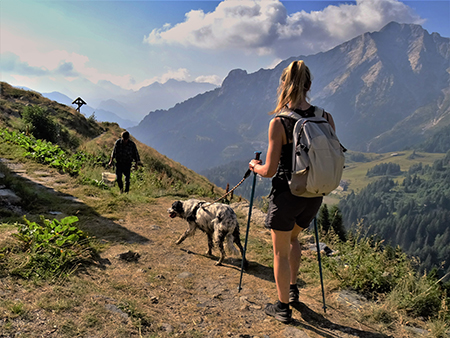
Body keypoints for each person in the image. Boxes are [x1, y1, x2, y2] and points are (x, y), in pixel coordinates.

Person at [249, 60, 336, 323]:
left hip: (288, 196)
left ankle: (282, 307)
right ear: (309, 85)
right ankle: (294, 289)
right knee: (294, 240)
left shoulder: (280, 122)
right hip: (314, 194)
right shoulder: (325, 117)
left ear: (283, 84)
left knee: (280, 252)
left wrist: (254, 166)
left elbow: (270, 170)